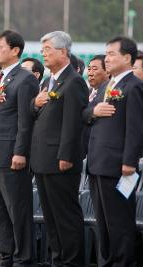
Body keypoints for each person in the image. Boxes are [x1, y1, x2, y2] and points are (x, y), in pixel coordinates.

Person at [0, 29, 39, 267]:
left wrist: (20, 152)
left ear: (15, 50)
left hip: (11, 154)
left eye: (0, 46)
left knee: (17, 212)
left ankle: (23, 258)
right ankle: (6, 256)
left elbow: (26, 120)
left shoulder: (26, 79)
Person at [30, 31, 88, 266]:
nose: (43, 54)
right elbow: (37, 114)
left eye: (48, 50)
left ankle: (71, 261)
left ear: (63, 52)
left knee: (65, 216)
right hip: (43, 157)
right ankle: (57, 260)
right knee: (51, 216)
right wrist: (34, 103)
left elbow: (73, 122)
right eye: (42, 50)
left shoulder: (73, 81)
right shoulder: (48, 81)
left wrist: (66, 155)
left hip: (60, 159)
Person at [84, 36, 143, 266]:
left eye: (111, 54)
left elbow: (136, 128)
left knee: (119, 224)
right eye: (106, 54)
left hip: (118, 165)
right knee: (103, 224)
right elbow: (85, 114)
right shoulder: (107, 86)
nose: (106, 58)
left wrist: (129, 162)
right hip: (97, 162)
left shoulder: (134, 86)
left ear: (127, 58)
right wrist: (94, 112)